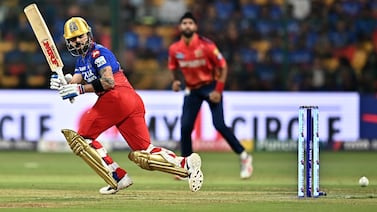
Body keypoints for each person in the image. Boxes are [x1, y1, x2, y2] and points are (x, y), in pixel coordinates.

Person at [50, 17, 203, 194]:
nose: (77, 41)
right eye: (73, 39)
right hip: (131, 100)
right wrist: (63, 82)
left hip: (116, 97)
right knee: (144, 154)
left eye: (80, 37)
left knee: (83, 139)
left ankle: (118, 176)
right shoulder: (81, 60)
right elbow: (75, 81)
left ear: (88, 35)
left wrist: (79, 89)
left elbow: (108, 82)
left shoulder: (99, 53)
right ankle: (186, 164)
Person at [167, 12, 253, 179]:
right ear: (180, 27)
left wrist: (218, 90)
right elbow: (173, 67)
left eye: (190, 23)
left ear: (196, 27)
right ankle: (186, 167)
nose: (187, 26)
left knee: (219, 124)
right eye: (184, 23)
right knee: (185, 127)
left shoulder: (207, 46)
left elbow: (223, 66)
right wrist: (176, 81)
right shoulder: (175, 49)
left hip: (210, 87)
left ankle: (244, 156)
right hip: (192, 89)